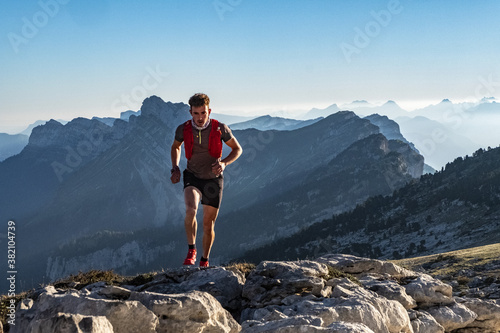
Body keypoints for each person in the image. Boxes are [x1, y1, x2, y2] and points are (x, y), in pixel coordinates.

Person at [170, 93, 242, 267]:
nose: (200, 117)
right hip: (192, 175)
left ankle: (204, 260)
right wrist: (175, 167)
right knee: (191, 210)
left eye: (203, 113)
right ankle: (192, 249)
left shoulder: (220, 129)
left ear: (209, 110)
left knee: (208, 224)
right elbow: (175, 147)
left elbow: (237, 149)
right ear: (190, 112)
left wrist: (224, 164)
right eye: (196, 113)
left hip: (213, 179)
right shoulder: (183, 129)